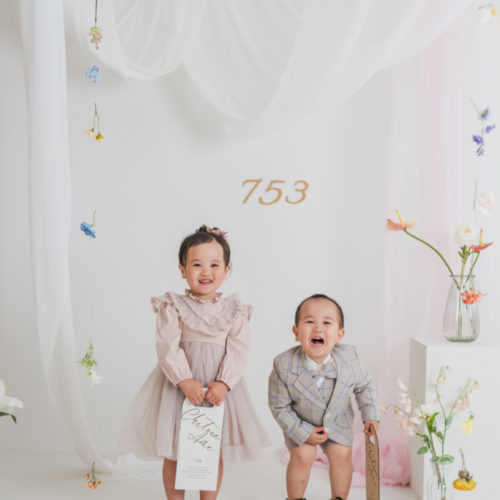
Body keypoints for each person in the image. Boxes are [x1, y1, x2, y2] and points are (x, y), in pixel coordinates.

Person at [120, 225, 270, 500]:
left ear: (226, 270)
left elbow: (239, 349)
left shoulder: (236, 309)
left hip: (217, 386)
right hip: (179, 387)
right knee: (174, 450)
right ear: (183, 270)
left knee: (212, 448)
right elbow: (167, 345)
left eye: (214, 265)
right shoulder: (172, 305)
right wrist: (183, 379)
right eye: (197, 264)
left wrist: (224, 382)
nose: (206, 271)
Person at [268, 294, 379, 500]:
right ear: (296, 332)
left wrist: (370, 415)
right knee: (303, 455)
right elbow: (279, 407)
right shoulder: (283, 365)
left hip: (338, 421)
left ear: (339, 335)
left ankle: (339, 497)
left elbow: (364, 386)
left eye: (327, 323)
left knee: (342, 455)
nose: (318, 328)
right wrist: (303, 431)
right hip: (301, 422)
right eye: (309, 322)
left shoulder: (350, 358)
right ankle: (295, 498)